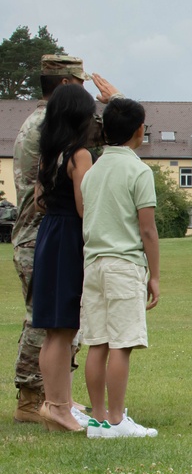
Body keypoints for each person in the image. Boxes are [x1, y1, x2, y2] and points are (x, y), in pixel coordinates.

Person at [11, 55, 120, 425]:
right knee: (50, 324)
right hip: (52, 233)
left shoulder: (44, 131)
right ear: (65, 87)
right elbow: (124, 135)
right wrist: (117, 102)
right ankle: (38, 398)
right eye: (81, 86)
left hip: (41, 232)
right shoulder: (64, 136)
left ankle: (58, 398)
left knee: (53, 324)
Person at [79, 97, 159, 438]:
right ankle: (115, 419)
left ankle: (97, 420)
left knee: (97, 342)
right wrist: (154, 275)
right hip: (124, 264)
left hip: (93, 264)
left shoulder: (92, 171)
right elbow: (147, 230)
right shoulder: (139, 171)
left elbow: (86, 215)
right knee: (120, 344)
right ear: (140, 131)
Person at [32, 83, 99, 431]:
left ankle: (61, 401)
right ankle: (57, 408)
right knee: (63, 329)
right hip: (68, 239)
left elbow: (38, 201)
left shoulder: (48, 154)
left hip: (48, 235)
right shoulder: (80, 155)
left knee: (53, 329)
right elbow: (84, 207)